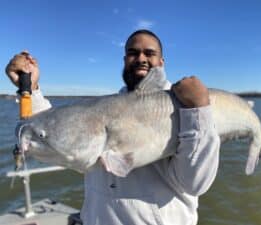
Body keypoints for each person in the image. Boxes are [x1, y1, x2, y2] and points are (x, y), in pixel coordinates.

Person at [6, 29, 220, 225]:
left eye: (149, 53)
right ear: (124, 59)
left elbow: (196, 184)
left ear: (161, 62)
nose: (141, 58)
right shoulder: (102, 109)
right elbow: (58, 136)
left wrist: (199, 110)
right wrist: (30, 89)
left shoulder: (188, 105)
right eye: (133, 53)